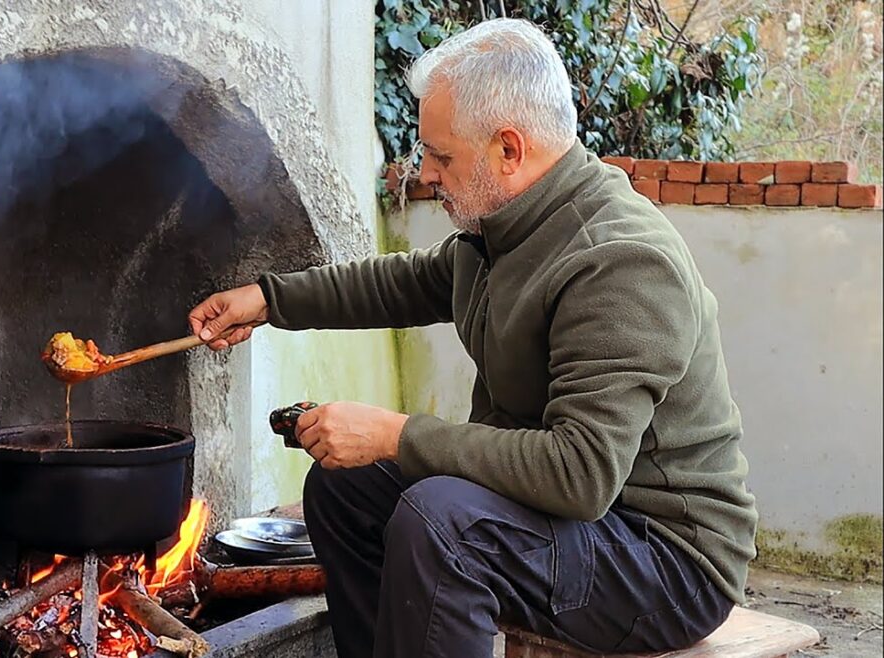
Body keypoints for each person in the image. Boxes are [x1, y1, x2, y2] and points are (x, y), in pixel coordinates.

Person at [187, 17, 757, 658]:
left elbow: (580, 475)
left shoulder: (619, 262)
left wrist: (395, 435)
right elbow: (400, 283)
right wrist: (268, 299)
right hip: (574, 524)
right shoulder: (506, 230)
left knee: (444, 522)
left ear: (508, 149)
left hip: (663, 559)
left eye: (441, 155)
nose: (424, 171)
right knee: (345, 487)